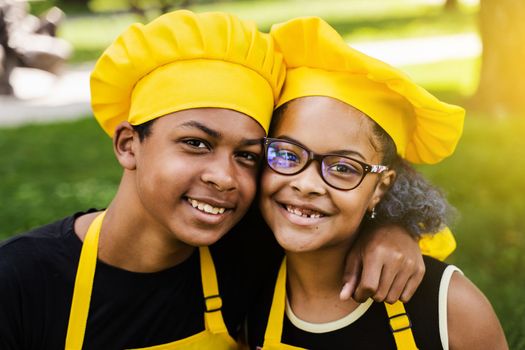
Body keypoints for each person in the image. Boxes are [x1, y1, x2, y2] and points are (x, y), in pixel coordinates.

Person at [0, 10, 452, 349]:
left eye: (248, 156)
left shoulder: (250, 254)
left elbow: (330, 212)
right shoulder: (21, 281)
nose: (223, 177)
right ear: (127, 144)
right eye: (195, 143)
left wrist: (392, 228)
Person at [247, 17, 508, 349]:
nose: (307, 183)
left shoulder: (449, 308)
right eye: (287, 155)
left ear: (381, 186)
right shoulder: (246, 286)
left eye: (343, 167)